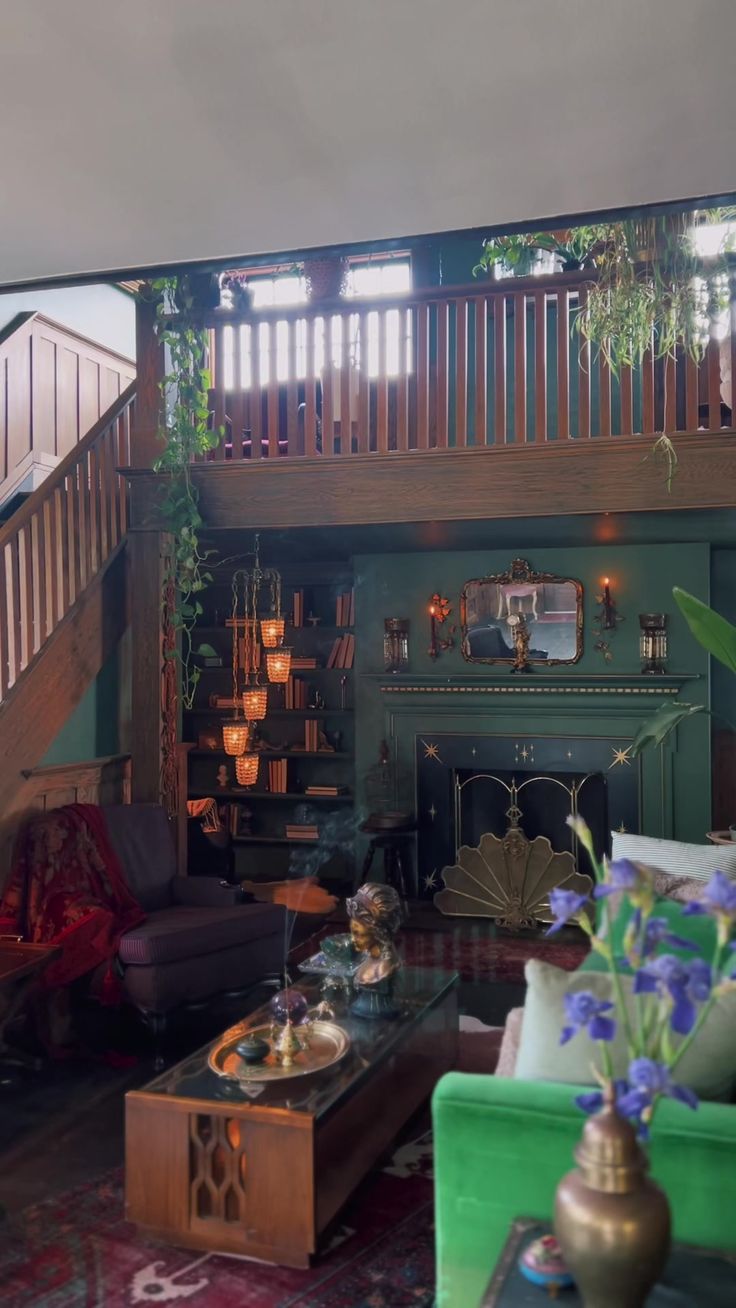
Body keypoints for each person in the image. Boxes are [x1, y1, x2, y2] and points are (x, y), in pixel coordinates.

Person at [345, 882, 402, 985]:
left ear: (378, 932)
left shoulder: (382, 970)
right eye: (352, 933)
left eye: (359, 934)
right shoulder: (367, 959)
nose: (352, 939)